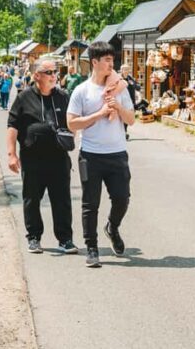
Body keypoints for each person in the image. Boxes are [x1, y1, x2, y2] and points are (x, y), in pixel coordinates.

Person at [67, 41, 135, 268]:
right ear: (94, 62)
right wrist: (100, 113)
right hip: (91, 155)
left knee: (122, 198)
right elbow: (72, 124)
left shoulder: (119, 88)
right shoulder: (81, 91)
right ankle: (92, 248)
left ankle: (112, 227)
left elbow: (131, 120)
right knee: (90, 203)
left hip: (117, 154)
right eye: (106, 60)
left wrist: (118, 107)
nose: (111, 64)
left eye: (112, 60)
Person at [7, 59, 77, 255]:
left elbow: (73, 122)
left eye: (56, 71)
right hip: (32, 158)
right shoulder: (24, 97)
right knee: (32, 198)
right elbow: (12, 125)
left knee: (62, 200)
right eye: (49, 72)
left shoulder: (63, 96)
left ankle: (65, 239)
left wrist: (72, 137)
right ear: (36, 75)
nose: (54, 75)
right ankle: (34, 237)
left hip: (58, 158)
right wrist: (12, 154)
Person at [121, 64, 141, 140]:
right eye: (125, 69)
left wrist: (134, 84)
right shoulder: (119, 79)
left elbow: (138, 88)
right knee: (121, 117)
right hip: (121, 101)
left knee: (127, 117)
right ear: (122, 70)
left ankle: (124, 131)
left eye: (128, 69)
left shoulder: (131, 79)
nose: (126, 71)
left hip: (130, 101)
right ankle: (123, 132)